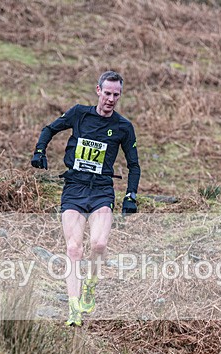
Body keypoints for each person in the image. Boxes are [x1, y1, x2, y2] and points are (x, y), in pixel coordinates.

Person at [31, 70, 141, 326]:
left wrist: (131, 195)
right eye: (108, 93)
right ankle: (74, 310)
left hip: (102, 189)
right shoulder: (79, 113)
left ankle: (90, 284)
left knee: (99, 245)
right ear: (98, 91)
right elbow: (49, 129)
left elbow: (134, 165)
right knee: (73, 249)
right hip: (74, 187)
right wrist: (39, 151)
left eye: (116, 94)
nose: (111, 99)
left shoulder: (123, 126)